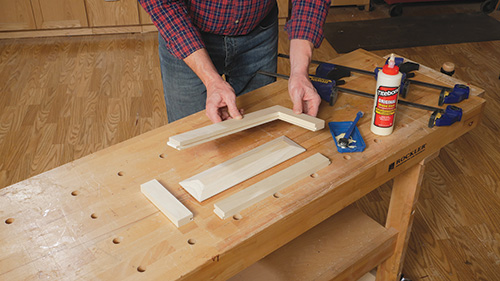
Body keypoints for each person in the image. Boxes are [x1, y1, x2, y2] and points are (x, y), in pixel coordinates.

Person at [139, 0, 331, 123]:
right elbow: (162, 3)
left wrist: (299, 72)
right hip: (186, 34)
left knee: (257, 131)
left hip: (258, 29)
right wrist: (211, 80)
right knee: (192, 133)